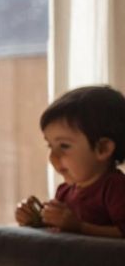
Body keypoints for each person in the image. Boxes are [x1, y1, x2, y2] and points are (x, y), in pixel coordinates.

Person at [14, 85, 125, 238]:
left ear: (103, 149)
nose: (53, 156)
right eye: (50, 146)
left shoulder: (115, 188)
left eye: (64, 146)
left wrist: (80, 227)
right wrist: (35, 220)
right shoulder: (64, 191)